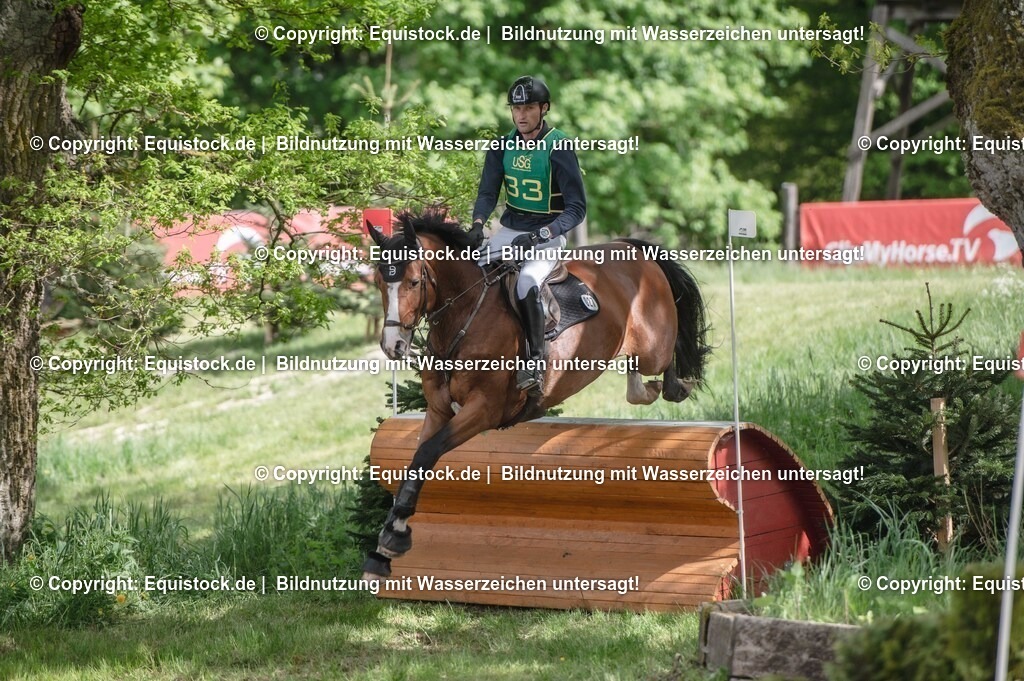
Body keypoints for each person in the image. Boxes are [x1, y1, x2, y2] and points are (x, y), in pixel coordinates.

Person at [472, 75, 587, 395]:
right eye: (516, 108)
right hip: (509, 230)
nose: (521, 115)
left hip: (547, 236)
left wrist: (543, 234)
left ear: (544, 108)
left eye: (529, 108)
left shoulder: (559, 146)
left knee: (525, 281)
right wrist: (478, 224)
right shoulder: (501, 146)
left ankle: (535, 360)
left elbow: (577, 208)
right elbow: (487, 193)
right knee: (472, 271)